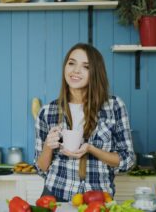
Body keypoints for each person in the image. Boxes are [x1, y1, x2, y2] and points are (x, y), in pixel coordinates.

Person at [34, 43, 135, 202]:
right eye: (71, 63)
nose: (75, 70)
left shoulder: (114, 106)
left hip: (98, 198)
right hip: (55, 195)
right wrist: (48, 145)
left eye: (85, 66)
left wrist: (91, 149)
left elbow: (127, 160)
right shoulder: (48, 112)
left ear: (95, 73)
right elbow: (41, 168)